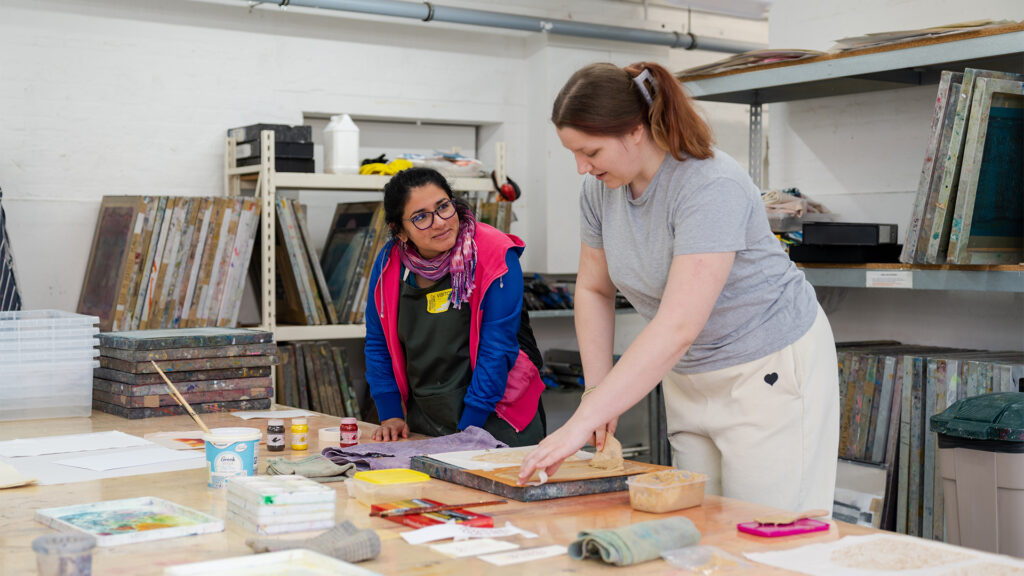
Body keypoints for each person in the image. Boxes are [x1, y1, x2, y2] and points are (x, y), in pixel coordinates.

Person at [518, 61, 839, 514]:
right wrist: (597, 394)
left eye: (589, 151)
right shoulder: (600, 191)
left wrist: (579, 423)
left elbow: (678, 324)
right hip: (688, 374)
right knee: (700, 524)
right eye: (573, 153)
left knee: (772, 534)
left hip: (766, 366)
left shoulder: (710, 183)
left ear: (634, 131)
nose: (580, 167)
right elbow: (594, 290)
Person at [364, 167, 546, 447]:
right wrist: (390, 413)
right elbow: (378, 342)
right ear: (399, 231)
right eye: (421, 217)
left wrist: (470, 426)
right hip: (426, 416)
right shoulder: (390, 263)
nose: (439, 222)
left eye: (443, 207)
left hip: (496, 415)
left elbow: (497, 349)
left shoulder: (494, 253)